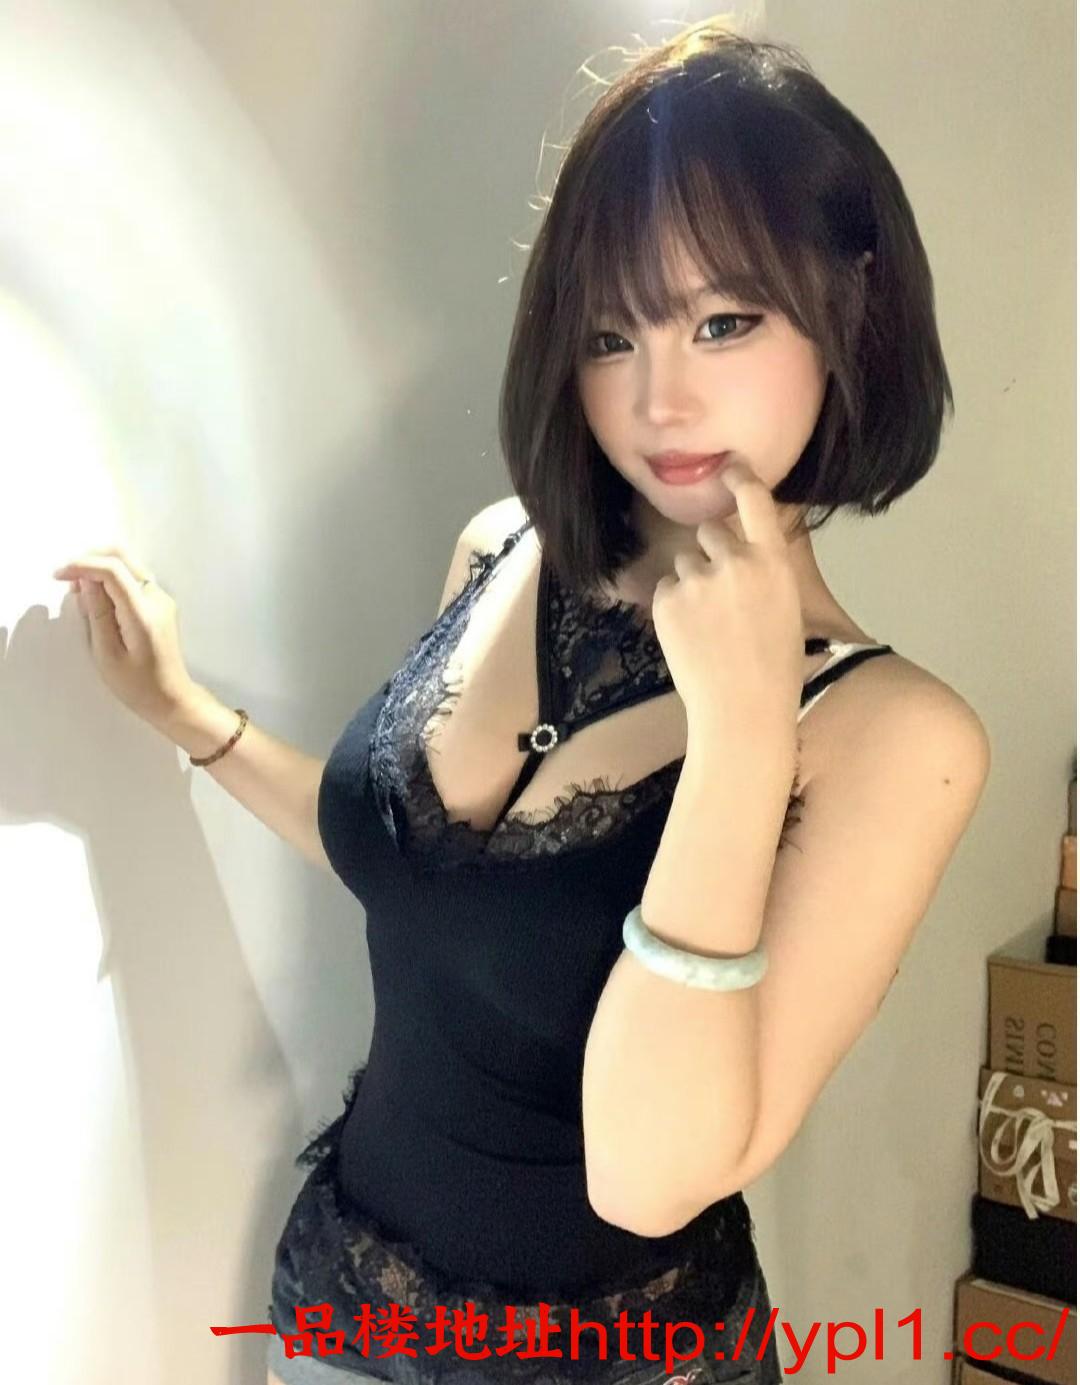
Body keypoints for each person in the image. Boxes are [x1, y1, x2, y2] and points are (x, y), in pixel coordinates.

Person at [52, 18, 992, 1385]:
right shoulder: (503, 549)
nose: (660, 398)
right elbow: (427, 875)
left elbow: (651, 1176)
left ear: (851, 310)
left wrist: (741, 737)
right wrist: (192, 717)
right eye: (613, 333)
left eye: (724, 321)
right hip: (342, 1310)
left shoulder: (894, 736)